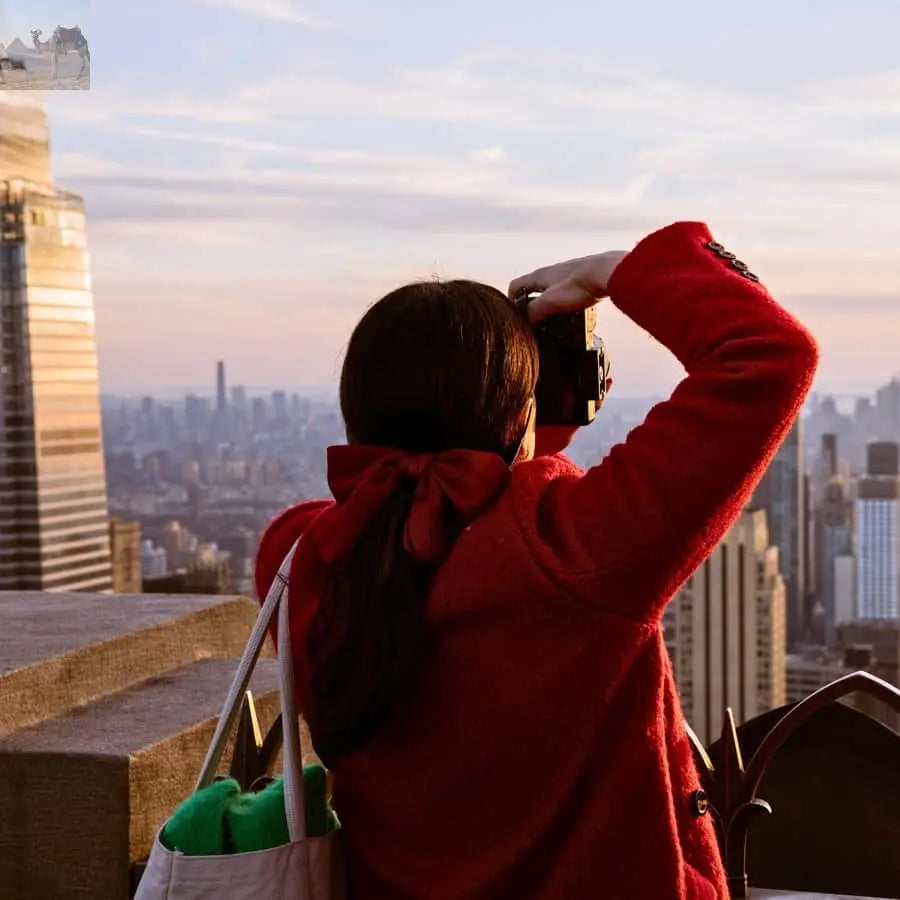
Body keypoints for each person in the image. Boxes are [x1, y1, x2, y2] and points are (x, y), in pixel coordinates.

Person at [255, 221, 818, 899]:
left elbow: (429, 516)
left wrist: (518, 413)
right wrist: (617, 270)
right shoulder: (577, 552)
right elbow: (770, 352)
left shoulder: (301, 564)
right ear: (521, 414)